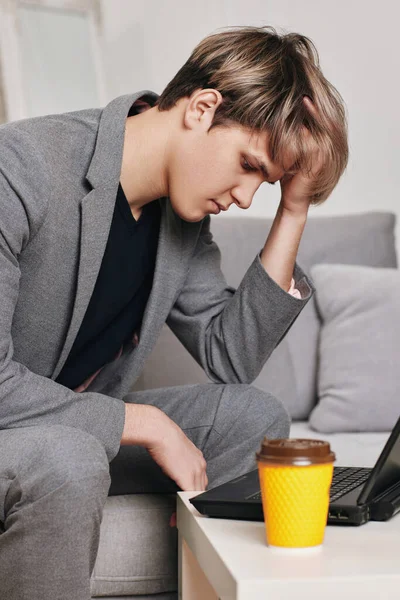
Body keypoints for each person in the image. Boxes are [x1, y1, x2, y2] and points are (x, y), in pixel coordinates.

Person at [0, 25, 348, 599]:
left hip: (71, 430)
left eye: (265, 182)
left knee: (253, 418)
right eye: (249, 165)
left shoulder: (181, 222)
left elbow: (232, 357)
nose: (244, 197)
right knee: (70, 456)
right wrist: (145, 425)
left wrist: (294, 209)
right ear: (202, 108)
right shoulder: (23, 166)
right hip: (33, 436)